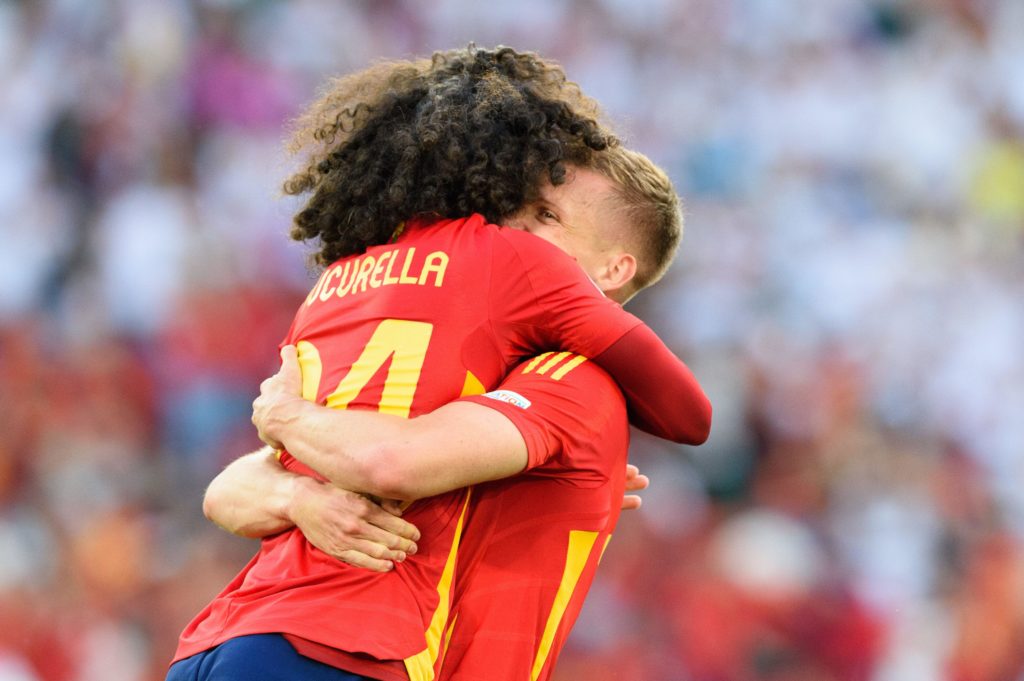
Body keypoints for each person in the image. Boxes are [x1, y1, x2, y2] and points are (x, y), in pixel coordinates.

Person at [168, 45, 709, 681]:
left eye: (548, 216)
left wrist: (290, 463)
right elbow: (690, 413)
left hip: (220, 639)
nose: (520, 225)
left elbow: (228, 489)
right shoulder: (539, 325)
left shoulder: (341, 279)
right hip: (344, 648)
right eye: (526, 206)